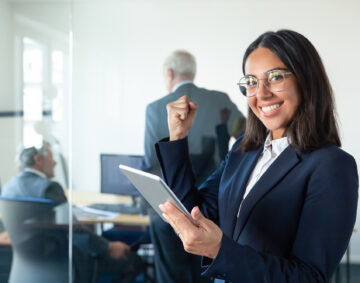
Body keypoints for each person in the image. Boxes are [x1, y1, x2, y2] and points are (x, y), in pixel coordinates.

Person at [157, 30, 358, 283]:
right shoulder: (244, 150)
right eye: (251, 81)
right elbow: (195, 211)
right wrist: (177, 138)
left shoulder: (332, 166)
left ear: (306, 80)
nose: (261, 94)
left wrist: (218, 251)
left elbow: (309, 277)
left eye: (275, 78)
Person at [142, 50, 245, 283]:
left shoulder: (155, 108)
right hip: (213, 207)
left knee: (171, 276)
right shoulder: (221, 100)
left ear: (169, 73)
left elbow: (150, 162)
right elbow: (249, 141)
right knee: (208, 273)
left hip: (168, 210)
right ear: (193, 71)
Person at [2, 142, 144, 283]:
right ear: (38, 160)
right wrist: (108, 247)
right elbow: (72, 228)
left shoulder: (9, 188)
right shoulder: (49, 188)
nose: (55, 162)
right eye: (51, 157)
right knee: (134, 261)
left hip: (27, 265)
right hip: (65, 263)